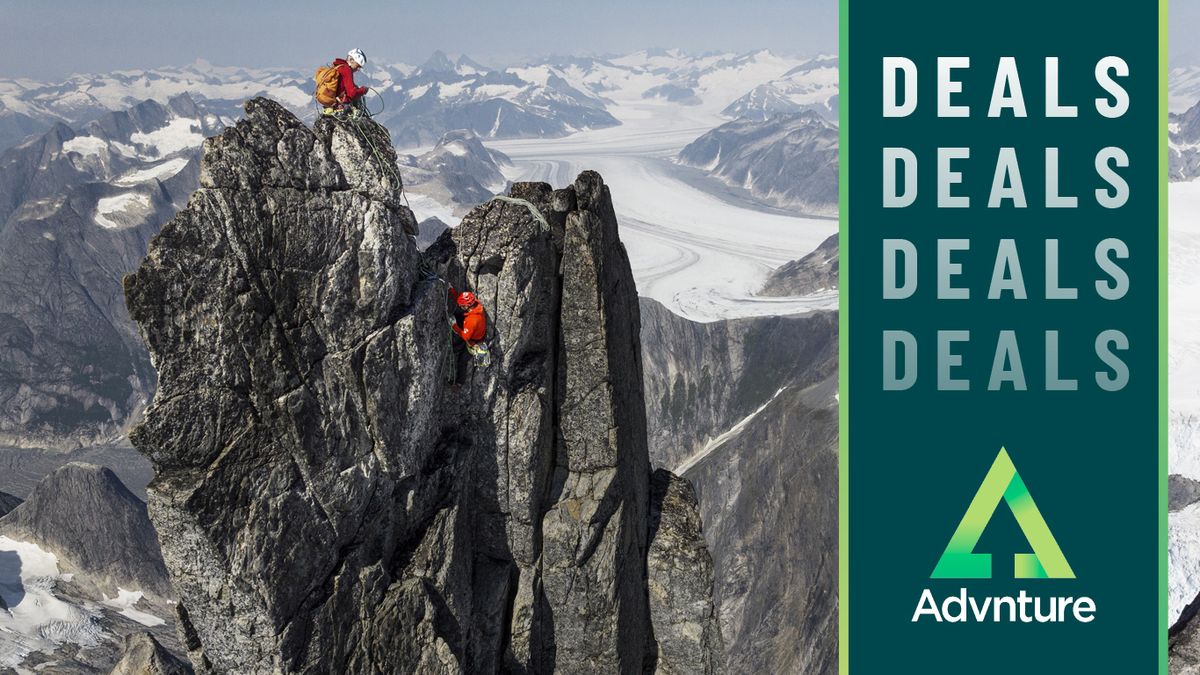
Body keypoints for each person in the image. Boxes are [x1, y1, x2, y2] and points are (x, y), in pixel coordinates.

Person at [318, 49, 369, 117]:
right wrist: (363, 90)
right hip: (341, 106)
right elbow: (352, 93)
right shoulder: (347, 69)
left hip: (332, 103)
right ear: (351, 60)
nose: (359, 69)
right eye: (358, 66)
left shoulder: (338, 66)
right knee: (356, 90)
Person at [448, 288, 490, 367]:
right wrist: (451, 290)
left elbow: (466, 337)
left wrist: (454, 325)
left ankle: (460, 379)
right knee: (459, 316)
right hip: (476, 333)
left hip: (473, 342)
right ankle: (457, 347)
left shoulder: (472, 320)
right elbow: (461, 301)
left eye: (462, 306)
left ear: (467, 306)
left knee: (462, 362)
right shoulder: (476, 304)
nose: (460, 306)